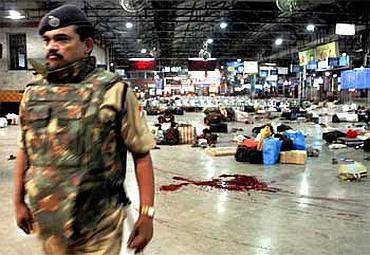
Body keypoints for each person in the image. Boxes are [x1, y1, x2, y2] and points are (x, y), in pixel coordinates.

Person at [13, 4, 155, 255]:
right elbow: (24, 150)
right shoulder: (33, 93)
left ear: (87, 45)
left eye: (62, 39)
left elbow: (141, 155)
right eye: (47, 40)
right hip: (50, 221)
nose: (51, 47)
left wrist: (147, 214)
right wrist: (17, 202)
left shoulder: (114, 91)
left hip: (100, 223)